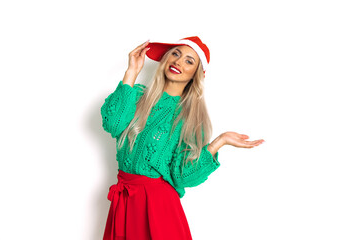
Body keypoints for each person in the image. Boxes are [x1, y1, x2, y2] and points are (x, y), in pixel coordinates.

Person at [101, 36, 265, 240]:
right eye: (176, 54)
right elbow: (113, 124)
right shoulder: (135, 96)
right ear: (166, 59)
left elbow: (182, 176)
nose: (178, 62)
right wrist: (131, 72)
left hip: (157, 207)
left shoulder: (190, 119)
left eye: (189, 60)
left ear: (196, 74)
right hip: (124, 200)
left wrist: (218, 143)